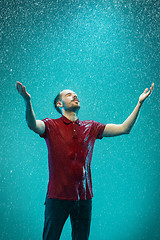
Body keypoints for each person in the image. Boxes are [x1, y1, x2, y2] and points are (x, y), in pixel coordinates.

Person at [16, 81, 154, 240]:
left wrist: (139, 103)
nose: (74, 95)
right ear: (59, 104)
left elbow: (124, 128)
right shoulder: (51, 125)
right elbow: (33, 125)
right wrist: (27, 101)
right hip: (57, 197)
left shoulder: (91, 126)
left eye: (75, 94)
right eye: (68, 94)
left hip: (84, 198)